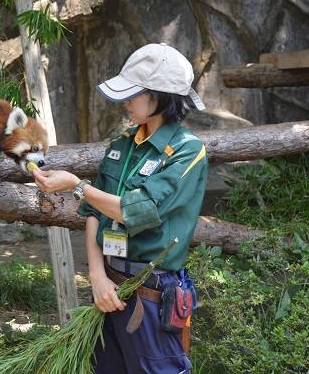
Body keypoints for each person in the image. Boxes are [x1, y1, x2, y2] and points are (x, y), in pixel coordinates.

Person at [33, 43, 209, 374]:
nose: (124, 101)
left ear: (159, 96)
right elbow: (94, 212)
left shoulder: (187, 151)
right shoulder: (123, 143)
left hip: (152, 295)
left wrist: (76, 185)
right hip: (110, 289)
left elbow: (133, 210)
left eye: (133, 93)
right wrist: (97, 276)